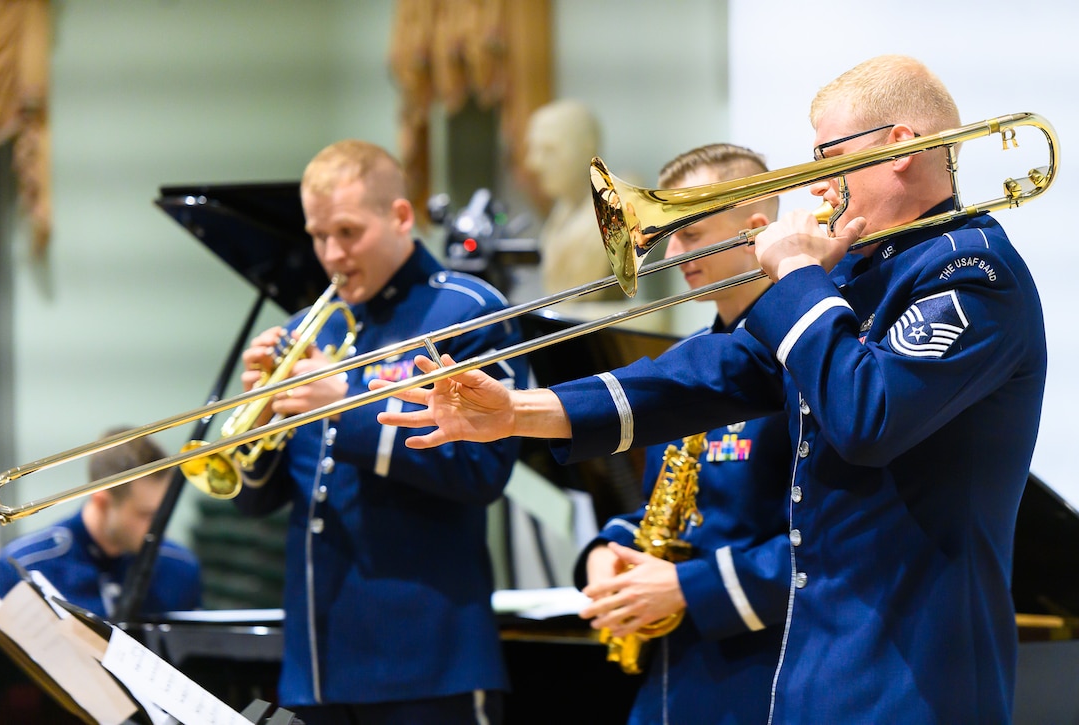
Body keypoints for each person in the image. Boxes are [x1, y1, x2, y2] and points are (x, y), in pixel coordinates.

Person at [375, 55, 1046, 723]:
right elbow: (712, 373)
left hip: (918, 674)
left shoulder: (973, 275)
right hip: (815, 669)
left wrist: (797, 276)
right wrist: (517, 411)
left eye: (828, 157)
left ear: (901, 147)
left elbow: (868, 416)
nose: (818, 186)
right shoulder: (859, 278)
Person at [232, 139, 528, 725]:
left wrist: (345, 405)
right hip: (315, 669)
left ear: (399, 217)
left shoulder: (468, 312)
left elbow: (482, 472)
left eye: (347, 232)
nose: (331, 254)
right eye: (318, 236)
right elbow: (254, 500)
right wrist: (261, 414)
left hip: (427, 665)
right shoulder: (304, 332)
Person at [576, 143, 792, 725]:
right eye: (668, 234)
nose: (673, 252)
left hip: (763, 679)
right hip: (673, 680)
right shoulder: (685, 359)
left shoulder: (807, 357)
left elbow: (827, 546)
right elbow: (660, 508)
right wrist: (608, 553)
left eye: (690, 233)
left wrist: (689, 588)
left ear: (755, 228)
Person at [0, 427, 202, 618]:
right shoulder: (25, 566)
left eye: (163, 514)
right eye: (145, 515)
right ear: (101, 501)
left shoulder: (181, 568)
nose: (160, 528)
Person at [524, 99, 617, 300]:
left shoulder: (611, 218)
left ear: (587, 148)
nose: (533, 163)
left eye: (549, 149)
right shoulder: (562, 212)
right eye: (533, 149)